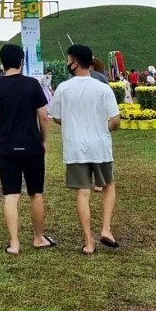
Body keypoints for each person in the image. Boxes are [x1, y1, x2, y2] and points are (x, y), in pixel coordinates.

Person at [47, 44, 121, 255]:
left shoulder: (63, 88)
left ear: (75, 62)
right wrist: (102, 128)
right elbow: (115, 120)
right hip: (100, 146)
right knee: (108, 185)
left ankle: (89, 242)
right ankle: (106, 229)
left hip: (75, 147)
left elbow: (57, 117)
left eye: (68, 60)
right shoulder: (103, 88)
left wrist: (71, 124)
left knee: (83, 192)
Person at [0, 43, 55, 254]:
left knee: (11, 195)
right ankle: (38, 238)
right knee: (36, 193)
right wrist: (43, 140)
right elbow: (44, 116)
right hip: (32, 147)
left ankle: (14, 243)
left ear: (2, 63)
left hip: (6, 148)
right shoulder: (33, 85)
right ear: (21, 62)